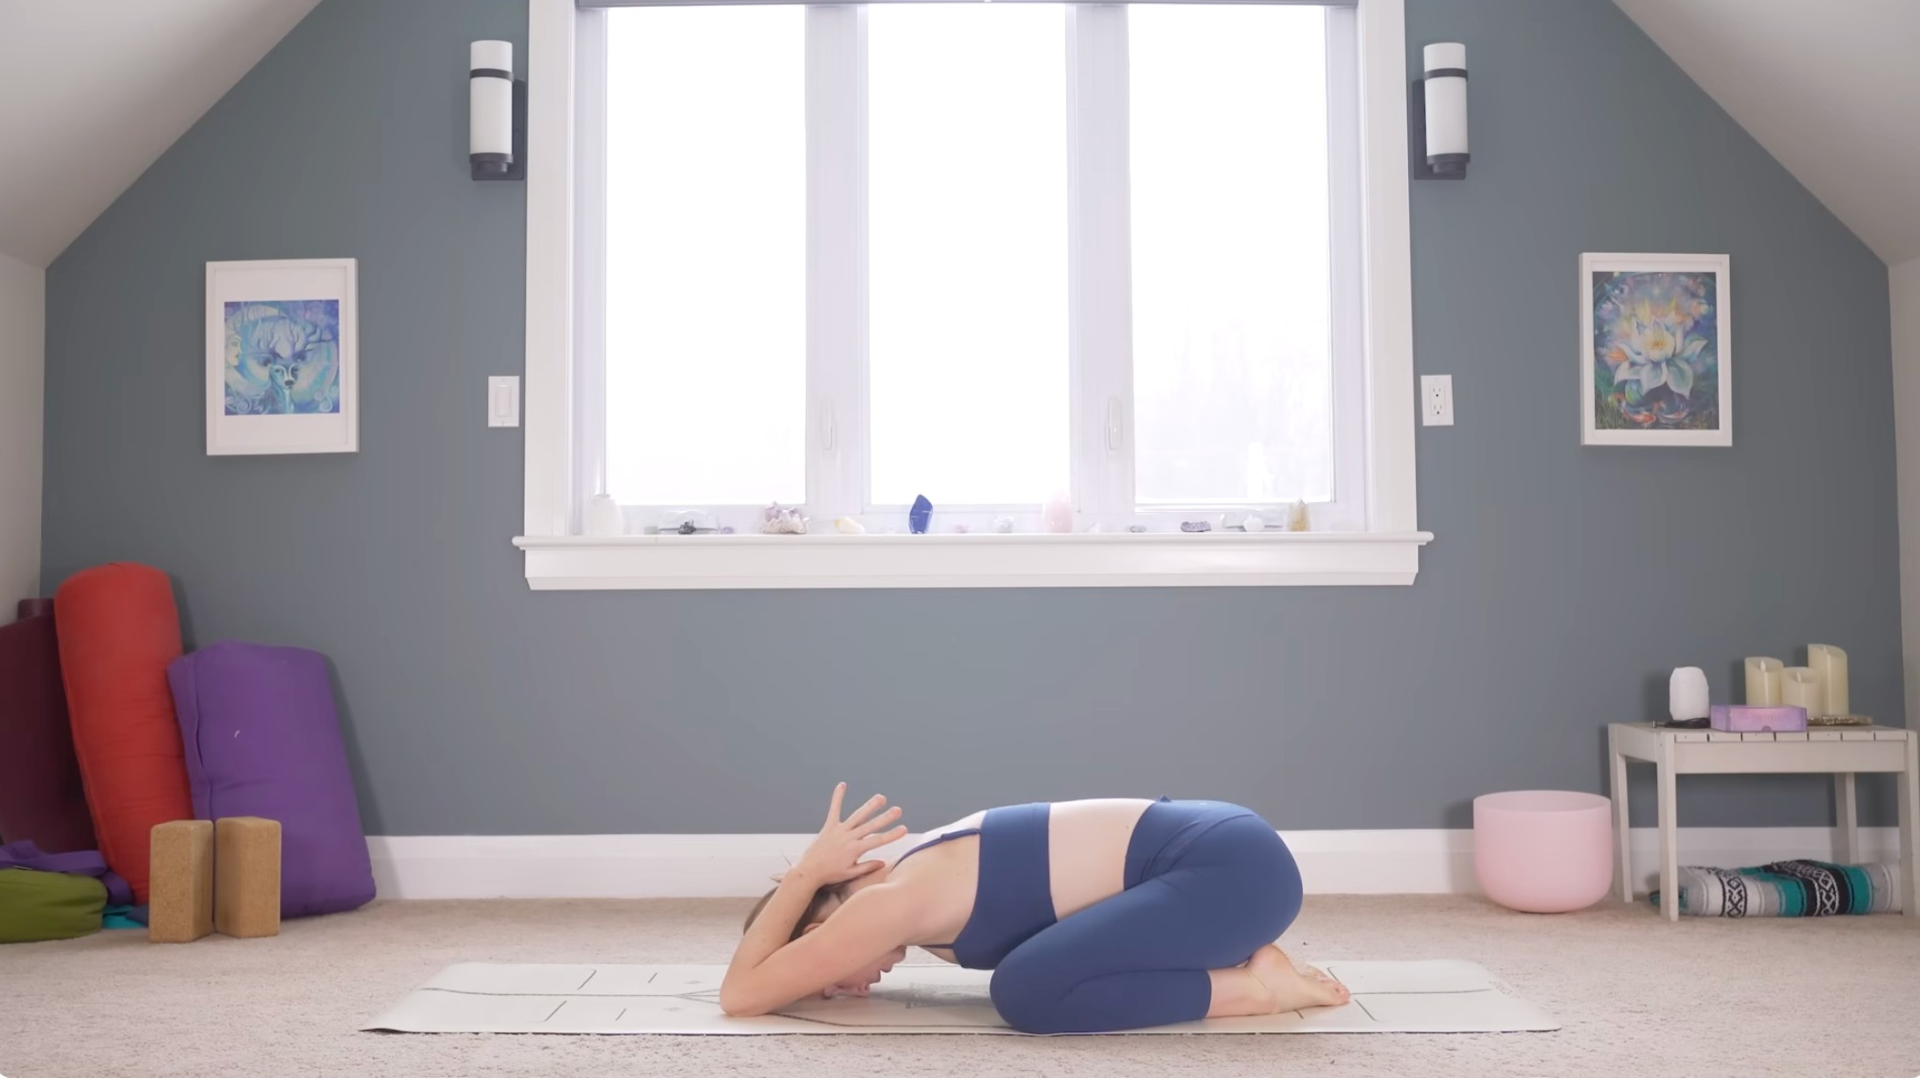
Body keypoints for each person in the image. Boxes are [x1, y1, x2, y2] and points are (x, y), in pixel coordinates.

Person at [721, 783, 1349, 1034]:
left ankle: (1259, 990)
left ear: (818, 925)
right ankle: (1246, 968)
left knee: (1025, 991)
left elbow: (742, 996)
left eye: (821, 980)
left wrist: (804, 874)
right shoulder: (916, 886)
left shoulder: (883, 905)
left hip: (1228, 873)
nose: (845, 989)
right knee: (1042, 972)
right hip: (1225, 858)